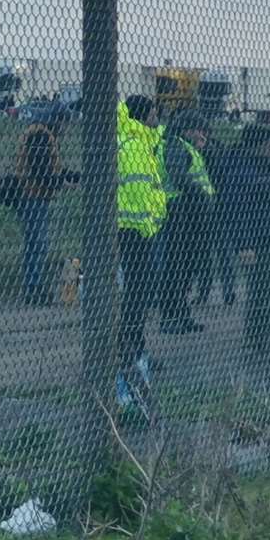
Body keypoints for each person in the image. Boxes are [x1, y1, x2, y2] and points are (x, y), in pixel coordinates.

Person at [0, 109, 78, 305]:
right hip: (32, 196)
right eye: (65, 122)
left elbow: (53, 169)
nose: (66, 128)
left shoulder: (41, 135)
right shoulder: (41, 137)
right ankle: (33, 287)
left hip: (34, 195)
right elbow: (41, 171)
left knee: (36, 243)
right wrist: (61, 183)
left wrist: (74, 177)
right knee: (37, 244)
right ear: (56, 120)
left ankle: (34, 285)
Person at [223, 126, 270, 363]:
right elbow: (236, 210)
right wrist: (244, 245)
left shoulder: (269, 168)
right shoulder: (239, 170)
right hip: (254, 243)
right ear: (258, 146)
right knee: (261, 292)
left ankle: (265, 330)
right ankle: (257, 338)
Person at [116, 95, 166, 405]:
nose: (157, 118)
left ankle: (134, 346)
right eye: (153, 113)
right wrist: (149, 219)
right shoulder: (133, 144)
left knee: (139, 292)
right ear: (142, 115)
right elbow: (137, 191)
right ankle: (128, 347)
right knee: (136, 292)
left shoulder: (143, 142)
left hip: (141, 228)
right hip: (132, 230)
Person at [159, 110, 215, 336]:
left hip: (191, 213)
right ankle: (170, 316)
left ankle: (181, 313)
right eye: (199, 130)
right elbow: (178, 176)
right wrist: (201, 194)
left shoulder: (188, 147)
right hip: (178, 211)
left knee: (187, 266)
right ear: (188, 130)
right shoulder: (175, 145)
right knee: (176, 265)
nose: (203, 135)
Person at [198, 132, 238, 307]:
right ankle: (204, 291)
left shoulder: (215, 150)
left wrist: (206, 150)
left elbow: (220, 176)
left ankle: (227, 292)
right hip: (204, 208)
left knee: (222, 253)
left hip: (218, 207)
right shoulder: (194, 149)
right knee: (205, 254)